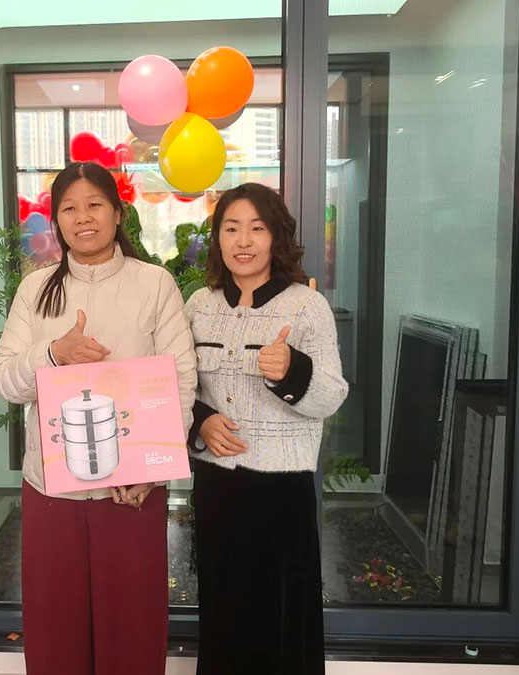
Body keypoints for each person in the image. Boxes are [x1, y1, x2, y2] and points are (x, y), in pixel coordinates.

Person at [0, 161, 197, 675]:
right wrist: (52, 353)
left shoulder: (155, 284)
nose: (82, 218)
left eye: (94, 205)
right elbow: (4, 380)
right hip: (52, 492)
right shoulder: (35, 289)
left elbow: (181, 382)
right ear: (56, 220)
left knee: (132, 627)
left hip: (130, 493)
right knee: (55, 628)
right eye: (69, 209)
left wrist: (154, 470)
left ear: (118, 213)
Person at [185, 182, 348, 674]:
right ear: (217, 238)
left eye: (257, 228)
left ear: (276, 236)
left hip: (281, 492)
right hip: (216, 487)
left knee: (280, 620)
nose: (243, 241)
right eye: (231, 228)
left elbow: (332, 396)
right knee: (222, 614)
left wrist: (293, 370)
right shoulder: (199, 305)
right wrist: (200, 422)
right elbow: (175, 386)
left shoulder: (306, 306)